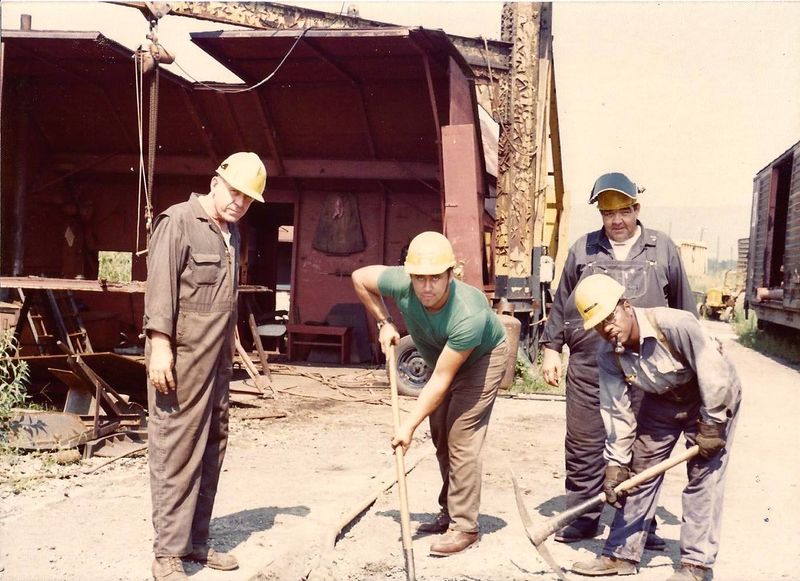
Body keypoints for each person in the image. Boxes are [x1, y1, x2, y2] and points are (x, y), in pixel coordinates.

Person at [540, 172, 697, 545]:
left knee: (642, 447)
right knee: (583, 444)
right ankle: (583, 518)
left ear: (636, 209)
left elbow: (684, 308)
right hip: (588, 364)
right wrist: (551, 347)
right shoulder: (583, 249)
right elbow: (563, 302)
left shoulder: (663, 249)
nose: (617, 221)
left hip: (646, 368)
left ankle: (640, 524)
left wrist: (686, 364)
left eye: (624, 211)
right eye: (608, 214)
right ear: (600, 215)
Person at [569, 274, 741, 581]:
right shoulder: (608, 355)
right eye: (598, 324)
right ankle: (621, 554)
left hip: (709, 396)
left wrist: (713, 423)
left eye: (610, 317)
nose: (607, 329)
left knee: (704, 476)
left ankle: (695, 566)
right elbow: (616, 410)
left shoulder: (674, 325)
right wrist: (616, 463)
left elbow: (714, 373)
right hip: (663, 400)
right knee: (637, 474)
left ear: (626, 306)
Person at [144, 152, 267, 581]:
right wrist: (160, 347)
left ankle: (196, 541)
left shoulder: (229, 234)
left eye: (248, 199)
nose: (239, 203)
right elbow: (159, 289)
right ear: (216, 182)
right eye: (235, 192)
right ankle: (167, 554)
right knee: (176, 448)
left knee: (213, 443)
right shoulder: (177, 222)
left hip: (215, 362)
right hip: (180, 358)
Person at [351, 231, 508, 556]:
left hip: (482, 359)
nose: (426, 287)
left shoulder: (468, 312)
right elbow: (359, 278)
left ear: (451, 274)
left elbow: (440, 380)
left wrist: (407, 425)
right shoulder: (401, 282)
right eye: (419, 278)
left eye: (435, 278)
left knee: (461, 434)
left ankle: (464, 525)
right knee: (439, 433)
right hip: (443, 358)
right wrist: (384, 322)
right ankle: (449, 509)